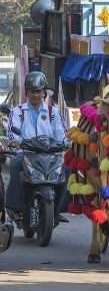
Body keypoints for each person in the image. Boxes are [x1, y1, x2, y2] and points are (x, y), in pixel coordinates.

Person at [4, 72, 68, 216]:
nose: (35, 95)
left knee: (67, 169)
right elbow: (12, 131)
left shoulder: (53, 111)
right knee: (15, 165)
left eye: (38, 91)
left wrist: (66, 142)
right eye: (32, 91)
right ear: (27, 92)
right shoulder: (18, 111)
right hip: (26, 153)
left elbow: (61, 132)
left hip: (50, 154)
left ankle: (59, 208)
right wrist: (15, 141)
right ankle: (15, 207)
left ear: (43, 93)